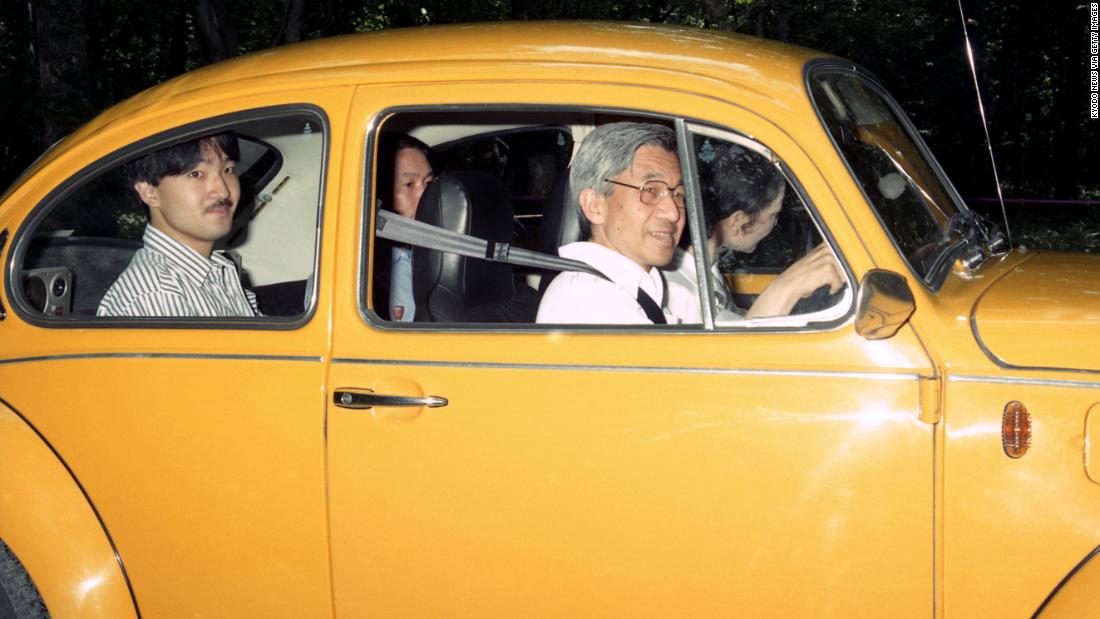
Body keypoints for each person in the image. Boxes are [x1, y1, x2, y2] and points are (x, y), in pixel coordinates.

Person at [664, 144, 843, 322]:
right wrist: (786, 287)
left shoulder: (704, 270)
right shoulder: (680, 295)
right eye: (774, 215)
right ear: (738, 221)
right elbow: (733, 350)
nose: (774, 224)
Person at [537, 122, 691, 325]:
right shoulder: (589, 302)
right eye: (651, 190)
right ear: (595, 206)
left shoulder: (631, 289)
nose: (673, 213)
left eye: (679, 194)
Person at [97, 131, 261, 317]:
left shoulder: (215, 270)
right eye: (196, 174)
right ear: (149, 192)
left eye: (228, 170)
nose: (223, 191)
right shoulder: (158, 295)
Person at [372, 132, 434, 322]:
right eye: (409, 184)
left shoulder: (446, 257)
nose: (426, 196)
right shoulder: (351, 270)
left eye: (428, 183)